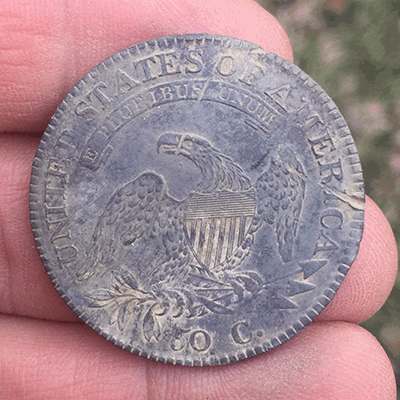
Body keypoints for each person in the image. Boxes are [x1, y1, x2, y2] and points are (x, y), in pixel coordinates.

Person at [0, 0, 397, 398]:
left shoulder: (264, 182)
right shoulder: (164, 198)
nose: (178, 146)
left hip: (222, 278)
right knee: (149, 185)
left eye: (189, 143)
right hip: (173, 285)